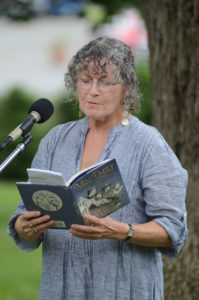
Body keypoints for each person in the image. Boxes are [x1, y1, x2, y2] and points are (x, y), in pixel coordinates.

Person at [8, 36, 188, 300]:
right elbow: (25, 219)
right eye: (85, 80)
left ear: (126, 88)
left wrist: (121, 231)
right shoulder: (55, 140)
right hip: (61, 289)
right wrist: (26, 227)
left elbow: (173, 230)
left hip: (124, 290)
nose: (93, 90)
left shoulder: (149, 144)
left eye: (105, 81)